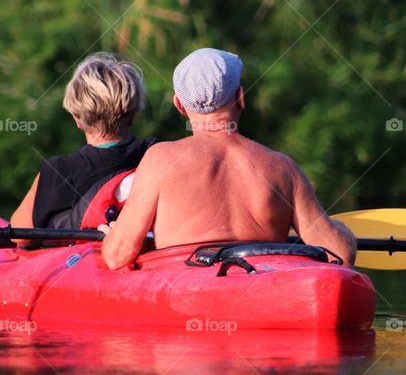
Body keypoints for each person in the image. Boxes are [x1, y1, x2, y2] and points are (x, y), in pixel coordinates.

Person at [100, 48, 356, 269]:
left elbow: (117, 256)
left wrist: (113, 235)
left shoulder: (161, 159)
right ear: (240, 96)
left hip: (187, 295)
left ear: (179, 105)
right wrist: (344, 233)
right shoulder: (281, 167)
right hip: (260, 292)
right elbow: (340, 255)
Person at [11, 53, 155, 231]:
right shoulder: (157, 155)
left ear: (76, 119)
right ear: (134, 116)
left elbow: (18, 233)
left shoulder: (60, 170)